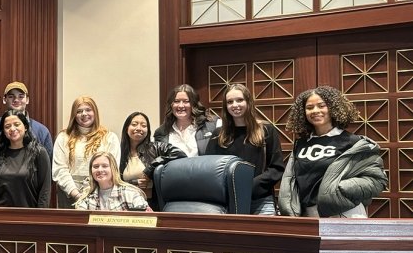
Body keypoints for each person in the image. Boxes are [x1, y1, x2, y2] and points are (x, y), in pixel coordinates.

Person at [279, 86, 386, 218]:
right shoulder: (300, 144)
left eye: (321, 106)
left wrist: (341, 189)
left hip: (344, 212)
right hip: (309, 214)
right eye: (309, 107)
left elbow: (376, 180)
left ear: (333, 108)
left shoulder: (352, 142)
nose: (315, 111)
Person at [204, 83, 285, 215]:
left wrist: (248, 187)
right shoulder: (218, 134)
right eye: (230, 102)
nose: (235, 105)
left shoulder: (266, 130)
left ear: (248, 102)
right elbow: (209, 169)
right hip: (227, 200)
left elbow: (276, 168)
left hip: (260, 200)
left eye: (240, 100)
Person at [52, 95, 119, 207]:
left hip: (101, 195)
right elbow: (59, 169)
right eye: (79, 111)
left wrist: (91, 192)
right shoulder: (63, 137)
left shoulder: (109, 137)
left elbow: (112, 168)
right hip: (69, 196)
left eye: (88, 110)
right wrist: (76, 194)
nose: (84, 114)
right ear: (74, 115)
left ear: (95, 113)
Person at [118, 111, 184, 206]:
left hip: (152, 203)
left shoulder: (156, 148)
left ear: (148, 131)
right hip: (126, 203)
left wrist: (151, 167)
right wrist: (134, 183)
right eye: (134, 124)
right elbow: (115, 181)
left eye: (144, 126)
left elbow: (180, 154)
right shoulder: (119, 153)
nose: (138, 128)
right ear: (126, 128)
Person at [0, 109, 51, 208]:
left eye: (16, 124)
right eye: (7, 126)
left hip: (29, 214)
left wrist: (42, 215)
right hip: (1, 215)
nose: (12, 129)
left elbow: (45, 190)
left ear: (25, 127)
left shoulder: (39, 152)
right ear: (3, 131)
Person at [153, 84, 219, 157]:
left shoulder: (214, 125)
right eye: (176, 101)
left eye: (186, 101)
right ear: (171, 105)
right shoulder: (161, 133)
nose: (181, 105)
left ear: (193, 104)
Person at [74, 152, 151, 212]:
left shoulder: (131, 193)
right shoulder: (86, 197)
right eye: (96, 167)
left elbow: (149, 218)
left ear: (113, 169)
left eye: (105, 166)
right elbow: (79, 221)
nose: (100, 170)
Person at [0, 81, 52, 148]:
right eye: (11, 96)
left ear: (27, 100)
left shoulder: (42, 131)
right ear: (4, 99)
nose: (16, 100)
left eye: (21, 96)